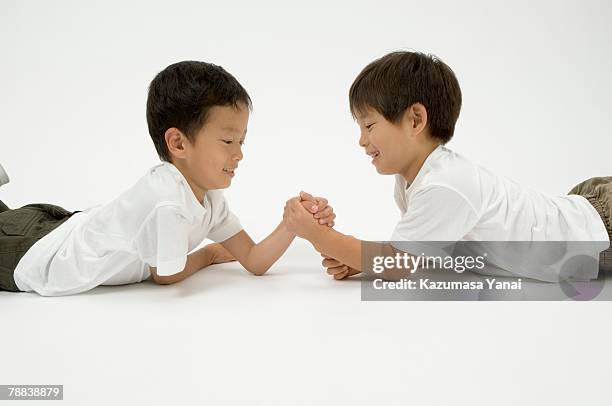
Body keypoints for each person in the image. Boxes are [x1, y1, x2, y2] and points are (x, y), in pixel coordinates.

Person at [0, 61, 335, 296]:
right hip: (35, 256)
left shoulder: (209, 197)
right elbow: (167, 274)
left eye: (242, 142)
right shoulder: (168, 200)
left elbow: (254, 260)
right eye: (228, 141)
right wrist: (210, 255)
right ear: (178, 143)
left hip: (59, 226)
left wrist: (291, 225)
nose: (239, 154)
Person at [282, 50, 611, 282]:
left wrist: (317, 235)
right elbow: (417, 252)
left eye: (369, 126)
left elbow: (398, 265)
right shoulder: (415, 178)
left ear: (415, 119)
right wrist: (361, 260)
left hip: (595, 233)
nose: (362, 141)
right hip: (579, 211)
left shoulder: (445, 184)